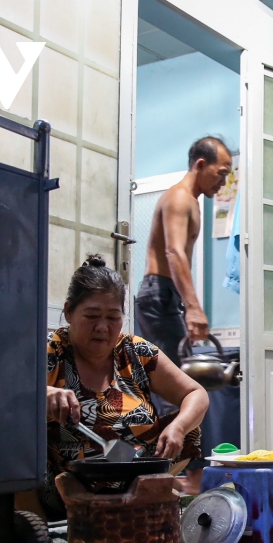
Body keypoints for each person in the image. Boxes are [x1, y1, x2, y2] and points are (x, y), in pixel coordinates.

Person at [41, 256, 209, 516]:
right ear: (69, 312)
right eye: (92, 316)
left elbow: (196, 393)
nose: (102, 327)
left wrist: (178, 427)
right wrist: (44, 395)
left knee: (190, 429)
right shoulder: (52, 350)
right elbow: (9, 398)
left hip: (135, 476)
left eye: (112, 317)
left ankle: (143, 502)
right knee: (21, 438)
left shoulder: (134, 350)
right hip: (68, 486)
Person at [136, 135, 233, 415]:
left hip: (166, 295)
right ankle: (173, 457)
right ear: (201, 164)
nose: (223, 182)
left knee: (179, 386)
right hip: (159, 294)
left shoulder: (191, 200)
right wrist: (193, 308)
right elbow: (174, 253)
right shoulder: (179, 198)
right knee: (176, 388)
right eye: (221, 174)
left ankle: (175, 455)